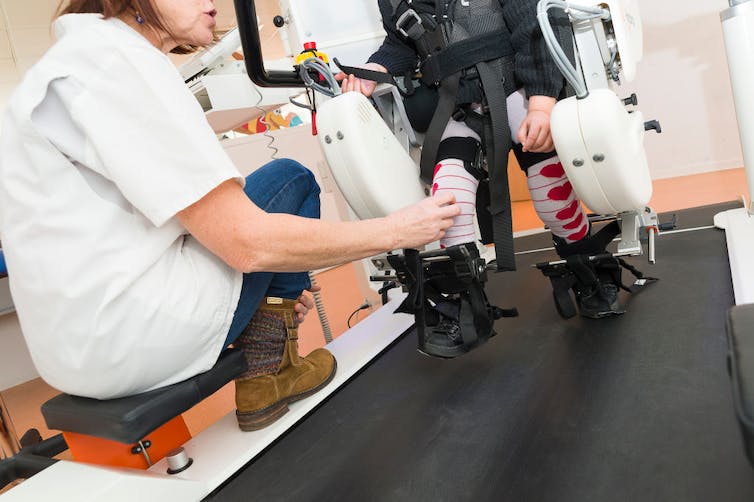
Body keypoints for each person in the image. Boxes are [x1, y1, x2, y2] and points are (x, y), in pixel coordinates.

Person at [0, 0, 461, 431]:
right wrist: (398, 230)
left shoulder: (68, 65)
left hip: (73, 355)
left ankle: (266, 351)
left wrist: (271, 289)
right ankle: (270, 372)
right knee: (289, 179)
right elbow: (248, 242)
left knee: (269, 205)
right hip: (137, 338)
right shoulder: (118, 61)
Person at [337, 0, 625, 353]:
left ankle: (589, 269)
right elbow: (401, 43)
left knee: (549, 191)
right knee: (449, 201)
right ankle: (469, 305)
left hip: (518, 92)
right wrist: (374, 67)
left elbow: (535, 24)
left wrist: (542, 103)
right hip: (458, 104)